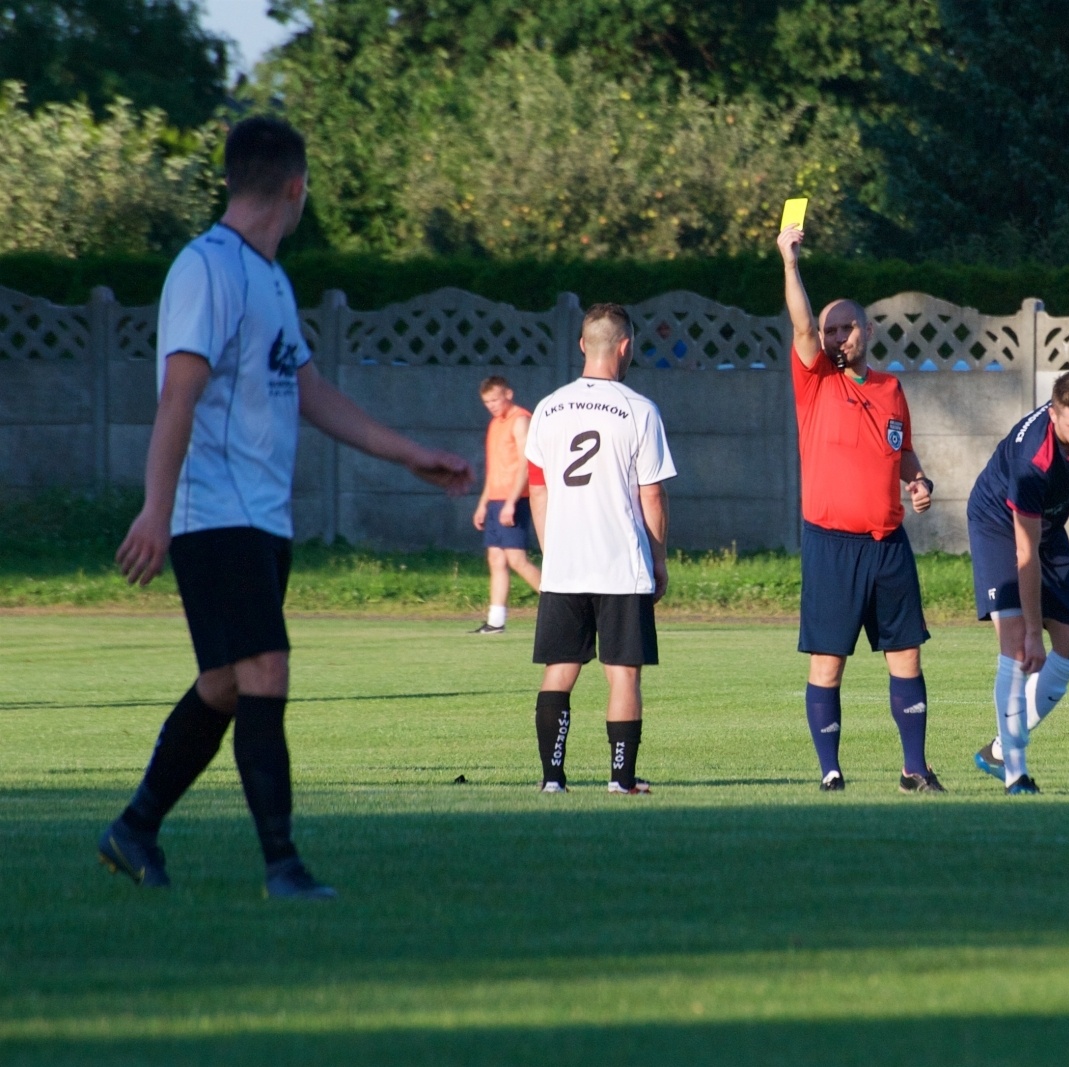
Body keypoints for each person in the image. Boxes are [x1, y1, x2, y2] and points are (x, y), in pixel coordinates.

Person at [98, 117, 473, 898]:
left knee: (227, 684)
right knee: (266, 669)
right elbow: (179, 394)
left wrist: (410, 454)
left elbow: (308, 391)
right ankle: (283, 866)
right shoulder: (206, 269)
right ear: (295, 188)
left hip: (263, 519)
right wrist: (156, 509)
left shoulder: (270, 278)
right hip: (214, 514)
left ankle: (134, 828)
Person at [776, 223, 941, 794]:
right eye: (831, 330)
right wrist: (789, 262)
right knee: (828, 664)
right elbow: (799, 322)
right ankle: (830, 769)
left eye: (848, 327)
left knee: (908, 657)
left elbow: (900, 449)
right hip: (831, 542)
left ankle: (913, 769)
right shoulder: (814, 381)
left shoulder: (892, 389)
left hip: (888, 544)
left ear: (867, 331)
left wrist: (917, 482)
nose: (839, 336)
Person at [525, 303, 675, 795]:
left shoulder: (548, 407)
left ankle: (552, 780)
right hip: (619, 564)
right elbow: (651, 494)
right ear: (626, 346)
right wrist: (658, 559)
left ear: (582, 345)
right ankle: (620, 780)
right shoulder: (638, 409)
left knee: (560, 670)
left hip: (565, 565)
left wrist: (553, 552)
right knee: (622, 674)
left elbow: (539, 488)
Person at [966, 371, 1069, 794]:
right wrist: (1033, 634)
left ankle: (997, 749)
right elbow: (1024, 554)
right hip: (998, 523)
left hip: (1047, 524)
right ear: (1053, 414)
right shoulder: (1033, 461)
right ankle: (1015, 773)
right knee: (1016, 647)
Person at [469, 375, 543, 633]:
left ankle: (561, 606)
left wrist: (511, 502)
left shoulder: (520, 420)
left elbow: (526, 463)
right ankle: (495, 621)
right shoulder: (495, 424)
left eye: (495, 399)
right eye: (486, 401)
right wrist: (482, 504)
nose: (491, 405)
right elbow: (494, 469)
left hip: (515, 499)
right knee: (496, 559)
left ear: (508, 394)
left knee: (517, 559)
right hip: (495, 500)